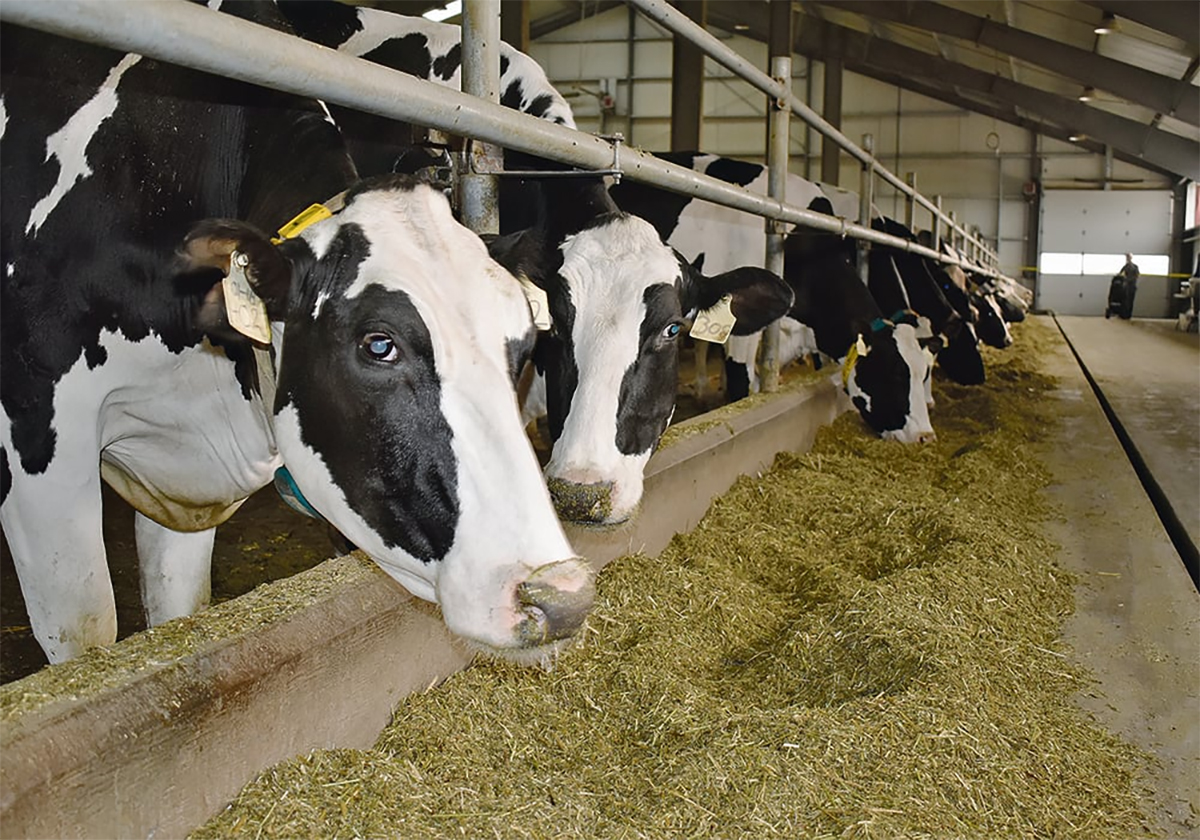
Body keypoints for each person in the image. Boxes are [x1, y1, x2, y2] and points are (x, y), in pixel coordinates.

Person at [1119, 253, 1139, 319]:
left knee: (1130, 300)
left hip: (1131, 286)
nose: (1127, 258)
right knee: (1125, 300)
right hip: (1127, 286)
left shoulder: (1135, 266)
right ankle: (1125, 314)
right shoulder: (1126, 266)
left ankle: (1128, 314)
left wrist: (1128, 280)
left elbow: (1136, 276)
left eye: (1128, 257)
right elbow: (1120, 273)